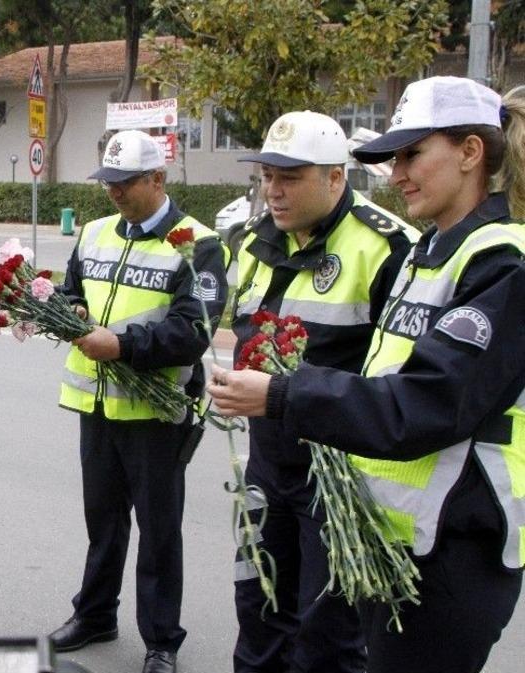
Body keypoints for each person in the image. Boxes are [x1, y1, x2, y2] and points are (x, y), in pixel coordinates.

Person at [208, 76, 525, 673]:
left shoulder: (501, 261)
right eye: (392, 157)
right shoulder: (431, 253)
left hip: (455, 548)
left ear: (469, 152)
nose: (396, 173)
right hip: (393, 536)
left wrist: (282, 393)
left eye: (412, 154)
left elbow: (425, 404)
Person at [228, 110, 417, 673]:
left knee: (326, 634)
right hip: (266, 469)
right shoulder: (252, 241)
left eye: (291, 177)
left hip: (338, 479)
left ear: (336, 178)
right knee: (258, 610)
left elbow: (400, 383)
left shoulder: (388, 247)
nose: (273, 190)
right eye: (266, 175)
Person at [48, 129, 228, 673]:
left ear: (158, 178)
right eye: (108, 181)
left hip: (158, 414)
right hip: (98, 408)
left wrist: (121, 345)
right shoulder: (97, 232)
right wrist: (67, 311)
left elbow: (193, 330)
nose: (114, 193)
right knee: (102, 521)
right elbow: (71, 292)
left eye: (125, 182)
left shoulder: (200, 244)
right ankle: (96, 614)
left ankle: (161, 641)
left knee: (158, 531)